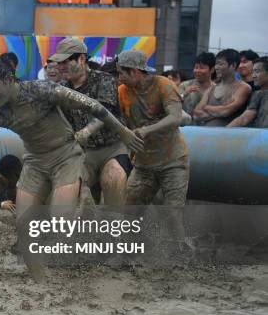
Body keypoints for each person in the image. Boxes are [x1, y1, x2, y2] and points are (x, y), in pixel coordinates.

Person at [0, 57, 143, 282]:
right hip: (34, 162)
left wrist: (122, 131)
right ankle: (43, 284)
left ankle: (91, 225)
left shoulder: (42, 90)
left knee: (60, 219)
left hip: (65, 156)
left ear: (9, 79)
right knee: (24, 228)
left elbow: (92, 105)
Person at [54, 38, 131, 205]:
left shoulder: (104, 79)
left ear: (81, 59)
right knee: (66, 188)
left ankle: (115, 227)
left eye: (65, 61)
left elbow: (104, 111)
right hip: (81, 152)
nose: (60, 66)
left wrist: (87, 131)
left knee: (113, 179)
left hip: (112, 148)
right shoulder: (60, 88)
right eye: (59, 62)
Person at [116, 49, 188, 206]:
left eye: (122, 74)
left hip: (172, 161)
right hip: (143, 164)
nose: (119, 78)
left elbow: (175, 117)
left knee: (172, 216)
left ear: (135, 72)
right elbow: (115, 118)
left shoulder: (163, 85)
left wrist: (145, 130)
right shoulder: (122, 91)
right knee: (129, 211)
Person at [193, 49, 252, 126]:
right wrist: (220, 110)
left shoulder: (243, 88)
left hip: (229, 135)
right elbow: (196, 115)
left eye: (221, 64)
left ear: (233, 65)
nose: (217, 67)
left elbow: (226, 111)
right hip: (206, 135)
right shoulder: (211, 89)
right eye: (216, 64)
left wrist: (206, 107)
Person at [228, 56, 268, 128]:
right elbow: (244, 118)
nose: (253, 76)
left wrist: (222, 131)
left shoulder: (258, 94)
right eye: (253, 72)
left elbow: (244, 119)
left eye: (257, 71)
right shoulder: (258, 94)